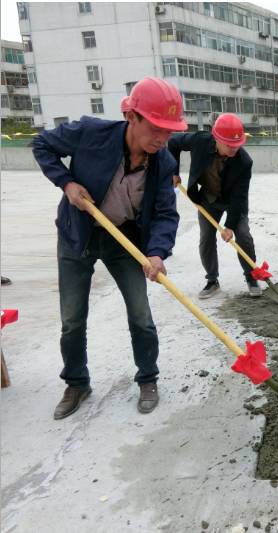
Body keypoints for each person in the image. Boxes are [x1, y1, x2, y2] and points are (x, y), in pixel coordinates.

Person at [32, 77, 186, 419]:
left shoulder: (164, 163)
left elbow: (164, 213)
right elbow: (42, 143)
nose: (163, 138)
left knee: (141, 314)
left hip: (124, 239)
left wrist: (157, 253)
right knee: (72, 318)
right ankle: (76, 383)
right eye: (157, 127)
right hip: (79, 234)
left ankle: (148, 378)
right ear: (132, 117)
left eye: (170, 131)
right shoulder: (91, 133)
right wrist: (67, 182)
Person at [168, 113, 261, 298]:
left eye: (237, 144)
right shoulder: (200, 141)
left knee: (243, 236)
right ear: (216, 138)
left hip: (232, 201)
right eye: (229, 144)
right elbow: (173, 142)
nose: (234, 148)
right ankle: (212, 280)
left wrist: (230, 226)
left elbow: (239, 197)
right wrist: (174, 170)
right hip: (208, 198)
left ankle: (251, 277)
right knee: (206, 239)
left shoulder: (244, 162)